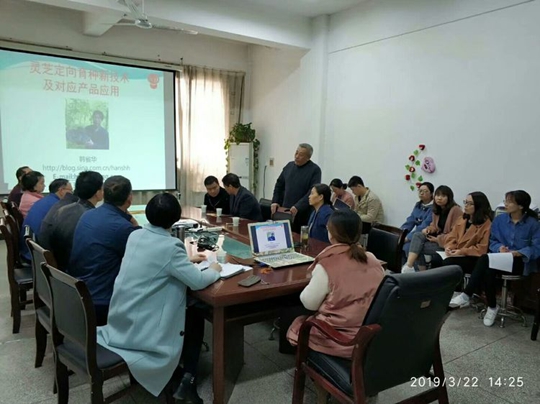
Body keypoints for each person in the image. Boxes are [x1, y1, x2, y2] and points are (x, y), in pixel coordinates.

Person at [97, 193, 222, 402]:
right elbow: (198, 281)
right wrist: (215, 269)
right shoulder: (171, 246)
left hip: (121, 319)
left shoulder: (136, 235)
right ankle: (188, 378)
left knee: (190, 310)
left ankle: (186, 376)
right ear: (175, 218)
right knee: (195, 313)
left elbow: (157, 260)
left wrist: (185, 260)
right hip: (144, 329)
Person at [286, 209, 384, 357]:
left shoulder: (327, 265)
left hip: (340, 340)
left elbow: (309, 304)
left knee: (298, 323)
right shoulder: (373, 260)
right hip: (370, 336)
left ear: (331, 233)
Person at [451, 190, 540, 326]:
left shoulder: (533, 224)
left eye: (509, 202)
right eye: (505, 201)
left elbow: (536, 247)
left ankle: (467, 294)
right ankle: (492, 307)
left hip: (520, 262)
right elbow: (493, 241)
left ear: (521, 206)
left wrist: (519, 252)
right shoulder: (500, 220)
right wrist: (499, 248)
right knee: (488, 269)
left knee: (485, 259)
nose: (505, 205)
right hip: (501, 258)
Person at [69, 175, 139, 325]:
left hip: (80, 291)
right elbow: (142, 261)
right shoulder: (122, 227)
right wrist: (134, 224)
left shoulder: (88, 215)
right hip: (102, 301)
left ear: (104, 195)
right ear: (129, 198)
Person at [43, 171, 104, 271]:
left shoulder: (64, 209)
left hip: (59, 266)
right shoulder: (92, 217)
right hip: (76, 271)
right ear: (98, 193)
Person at [402, 185, 462, 273]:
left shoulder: (456, 210)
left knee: (415, 247)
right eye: (437, 195)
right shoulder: (436, 208)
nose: (439, 198)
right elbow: (434, 225)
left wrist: (438, 239)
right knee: (417, 236)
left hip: (448, 244)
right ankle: (411, 267)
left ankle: (419, 271)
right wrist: (429, 229)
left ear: (449, 197)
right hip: (437, 239)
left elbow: (455, 233)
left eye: (443, 196)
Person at [430, 192, 493, 273]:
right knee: (435, 260)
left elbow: (481, 248)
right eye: (465, 202)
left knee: (448, 263)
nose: (466, 205)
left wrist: (461, 251)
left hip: (471, 256)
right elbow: (452, 236)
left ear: (479, 206)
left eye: (470, 204)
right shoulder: (462, 219)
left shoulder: (486, 224)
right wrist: (449, 247)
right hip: (456, 252)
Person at [271, 143, 322, 232]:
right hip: (285, 210)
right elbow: (279, 185)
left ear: (308, 157)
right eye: (296, 153)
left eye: (301, 155)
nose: (297, 156)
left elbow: (312, 191)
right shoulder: (289, 166)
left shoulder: (315, 170)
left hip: (303, 212)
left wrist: (298, 206)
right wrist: (275, 201)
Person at [19, 178, 72, 261]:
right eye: (70, 190)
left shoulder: (45, 201)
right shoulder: (57, 206)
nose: (72, 193)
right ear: (61, 190)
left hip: (30, 249)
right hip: (40, 254)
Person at [401, 182, 434, 255]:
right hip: (415, 234)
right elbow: (410, 221)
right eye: (420, 191)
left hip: (425, 235)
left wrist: (407, 238)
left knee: (407, 247)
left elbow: (424, 226)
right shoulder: (418, 205)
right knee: (398, 244)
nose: (421, 193)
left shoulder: (433, 208)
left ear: (431, 194)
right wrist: (400, 234)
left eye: (425, 191)